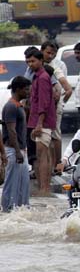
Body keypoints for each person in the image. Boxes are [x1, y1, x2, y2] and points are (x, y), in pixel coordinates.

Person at [26, 48, 56, 194]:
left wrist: (39, 123)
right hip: (38, 120)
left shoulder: (43, 77)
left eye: (33, 61)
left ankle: (44, 188)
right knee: (43, 155)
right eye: (28, 62)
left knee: (42, 155)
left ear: (41, 61)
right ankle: (44, 187)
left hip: (42, 122)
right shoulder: (37, 76)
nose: (30, 64)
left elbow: (43, 103)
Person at [1, 77, 31, 211]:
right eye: (26, 89)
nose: (28, 91)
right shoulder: (11, 107)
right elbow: (11, 131)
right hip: (14, 151)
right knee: (11, 184)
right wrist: (18, 151)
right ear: (18, 89)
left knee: (23, 185)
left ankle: (21, 212)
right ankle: (7, 210)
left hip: (21, 150)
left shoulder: (18, 106)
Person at [41, 41, 72, 167]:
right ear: (42, 50)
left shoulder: (57, 66)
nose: (50, 56)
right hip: (42, 104)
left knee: (55, 135)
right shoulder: (36, 64)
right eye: (48, 53)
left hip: (54, 104)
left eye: (53, 54)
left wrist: (61, 103)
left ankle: (57, 164)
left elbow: (67, 88)